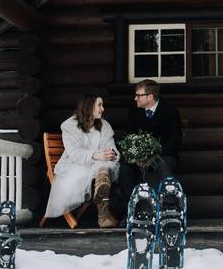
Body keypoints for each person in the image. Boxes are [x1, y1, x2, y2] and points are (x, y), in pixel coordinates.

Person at [43, 92, 120, 228]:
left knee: (103, 167)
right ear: (89, 107)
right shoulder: (69, 126)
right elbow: (75, 154)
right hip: (75, 166)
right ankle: (103, 214)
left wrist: (111, 153)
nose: (103, 109)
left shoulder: (104, 125)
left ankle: (101, 198)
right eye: (99, 105)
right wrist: (96, 155)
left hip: (99, 165)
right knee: (102, 167)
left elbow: (110, 145)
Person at [116, 79, 182, 214]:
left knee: (162, 165)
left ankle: (169, 208)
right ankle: (132, 211)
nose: (135, 98)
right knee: (124, 168)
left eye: (138, 95)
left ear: (150, 97)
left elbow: (174, 141)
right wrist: (136, 155)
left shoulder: (170, 111)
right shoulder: (134, 111)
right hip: (137, 158)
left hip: (163, 155)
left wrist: (153, 155)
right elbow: (128, 136)